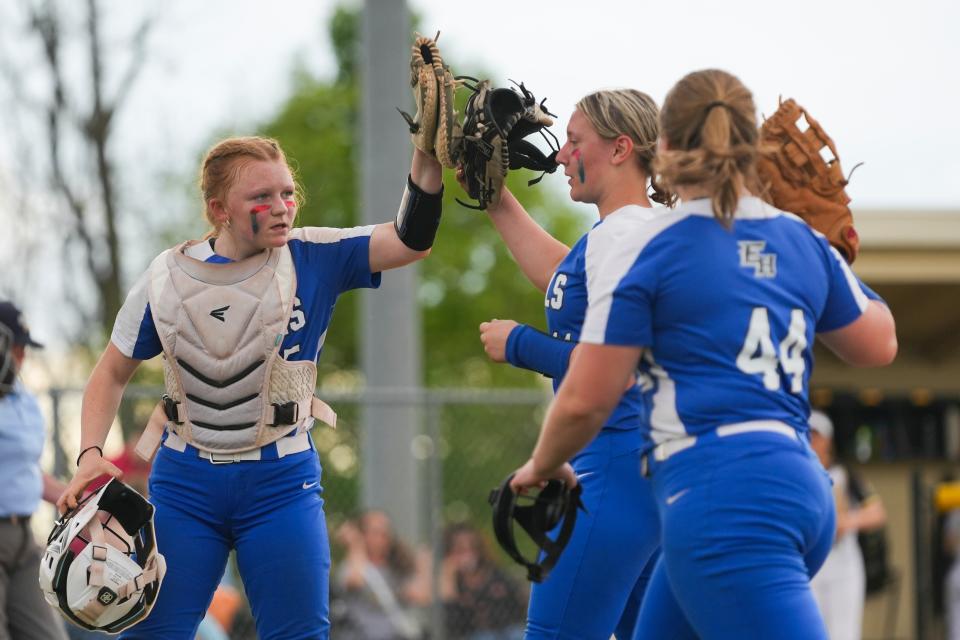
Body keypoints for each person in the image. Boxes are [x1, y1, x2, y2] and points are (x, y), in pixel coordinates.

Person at [509, 68, 898, 640]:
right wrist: (829, 259)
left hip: (723, 495)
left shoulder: (655, 247)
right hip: (802, 488)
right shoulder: (797, 239)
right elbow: (880, 342)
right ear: (752, 151)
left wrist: (541, 466)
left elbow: (586, 401)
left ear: (663, 148)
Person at [57, 136, 443, 639]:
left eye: (287, 192)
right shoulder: (167, 278)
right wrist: (89, 453)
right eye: (262, 196)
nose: (281, 207)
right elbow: (109, 372)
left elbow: (411, 239)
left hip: (281, 481)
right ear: (219, 209)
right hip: (186, 481)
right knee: (154, 634)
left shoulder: (312, 255)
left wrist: (425, 159)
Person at [476, 89, 667, 640]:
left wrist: (521, 345)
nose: (561, 155)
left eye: (576, 141)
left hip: (610, 465)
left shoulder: (623, 234)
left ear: (621, 148)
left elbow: (621, 368)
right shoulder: (630, 231)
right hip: (642, 470)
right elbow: (566, 278)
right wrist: (495, 199)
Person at [0, 301, 69, 640]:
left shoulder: (21, 399)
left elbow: (25, 471)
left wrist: (79, 497)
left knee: (47, 635)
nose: (21, 357)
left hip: (24, 539)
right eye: (14, 348)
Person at [808, 410, 888, 640]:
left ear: (828, 440)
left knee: (844, 633)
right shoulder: (800, 473)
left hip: (842, 564)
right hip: (811, 565)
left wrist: (845, 521)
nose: (813, 441)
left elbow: (877, 512)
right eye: (808, 434)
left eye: (817, 435)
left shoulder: (844, 473)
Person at [331, 510, 430, 640]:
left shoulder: (396, 566)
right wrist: (355, 545)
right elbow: (355, 580)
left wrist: (422, 564)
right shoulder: (352, 565)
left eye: (386, 532)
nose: (383, 537)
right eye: (376, 532)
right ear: (363, 535)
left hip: (397, 635)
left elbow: (420, 595)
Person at [440, 522, 526, 640]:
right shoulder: (450, 580)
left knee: (517, 634)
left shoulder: (494, 574)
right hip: (473, 634)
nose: (467, 555)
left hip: (506, 630)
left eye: (471, 548)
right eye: (460, 550)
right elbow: (451, 621)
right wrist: (450, 574)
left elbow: (517, 604)